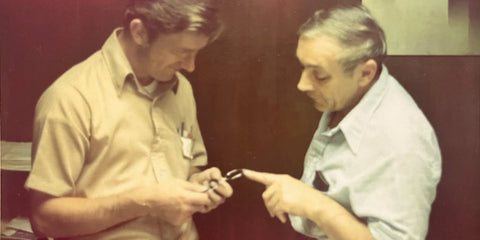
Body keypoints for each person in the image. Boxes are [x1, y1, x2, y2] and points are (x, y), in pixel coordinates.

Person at [25, 0, 233, 239]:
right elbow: (44, 219)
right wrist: (143, 203)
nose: (191, 66)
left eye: (196, 53)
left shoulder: (181, 88)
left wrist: (196, 185)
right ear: (140, 32)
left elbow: (188, 164)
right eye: (182, 52)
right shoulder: (71, 98)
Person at [243, 4, 441, 240]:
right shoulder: (350, 96)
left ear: (365, 73)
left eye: (319, 75)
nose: (302, 84)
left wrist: (316, 205)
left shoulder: (402, 144)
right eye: (303, 67)